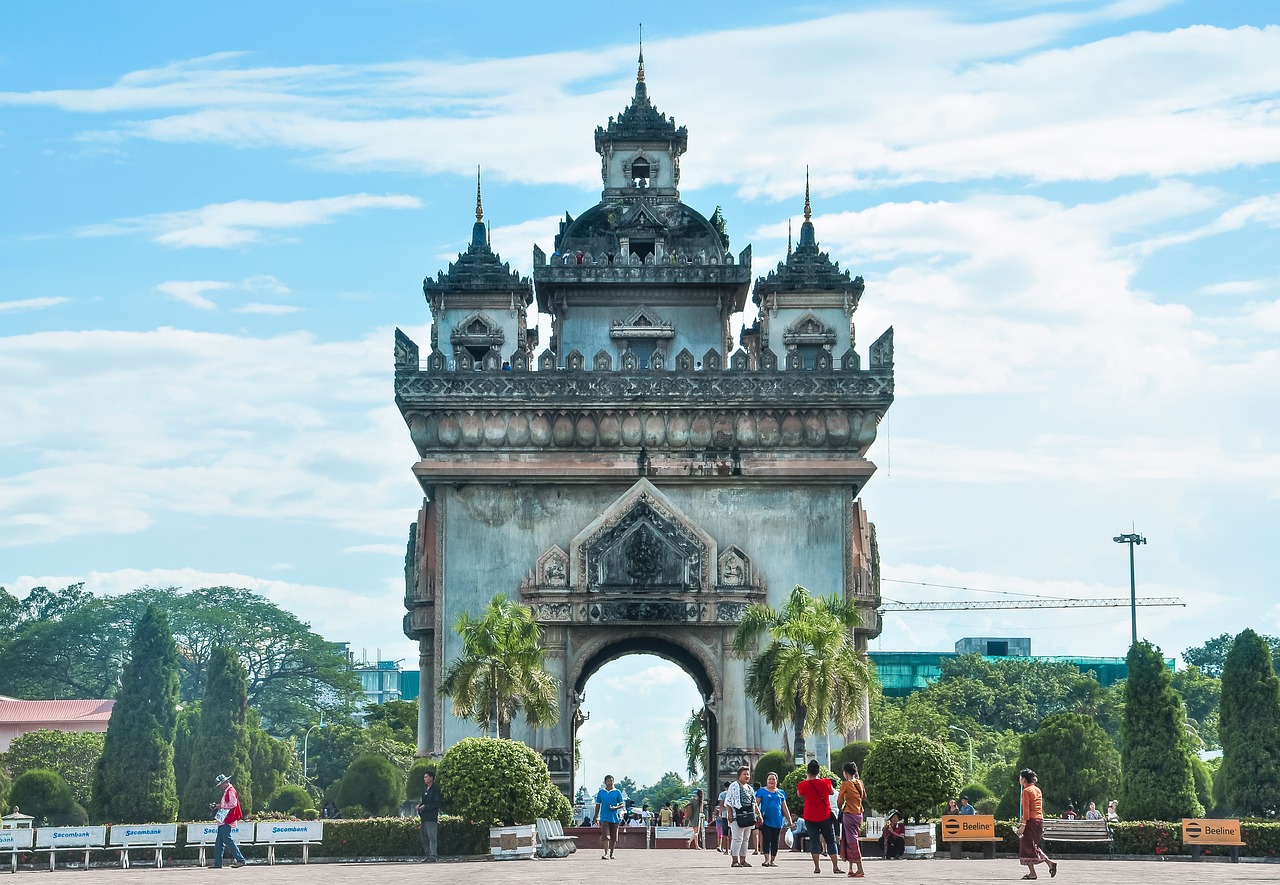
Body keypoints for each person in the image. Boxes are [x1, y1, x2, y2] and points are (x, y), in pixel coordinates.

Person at [796, 759, 843, 874]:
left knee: (814, 841)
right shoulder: (826, 782)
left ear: (808, 772)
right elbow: (832, 793)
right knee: (831, 841)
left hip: (810, 816)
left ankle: (817, 867)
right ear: (818, 771)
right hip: (825, 816)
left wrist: (808, 780)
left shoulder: (803, 784)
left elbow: (799, 794)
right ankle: (835, 867)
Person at [1015, 768, 1058, 880]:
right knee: (1034, 846)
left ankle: (1033, 873)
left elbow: (1026, 810)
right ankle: (1049, 863)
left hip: (1030, 821)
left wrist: (1023, 826)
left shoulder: (1026, 791)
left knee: (1026, 847)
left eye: (1020, 777)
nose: (1019, 779)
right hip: (1039, 820)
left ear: (1024, 779)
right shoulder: (1037, 789)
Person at [755, 771, 794, 867]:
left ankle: (772, 860)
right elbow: (755, 804)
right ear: (766, 781)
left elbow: (784, 807)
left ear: (777, 781)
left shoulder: (781, 792)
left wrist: (790, 820)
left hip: (777, 820)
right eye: (769, 779)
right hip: (766, 820)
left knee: (775, 840)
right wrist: (758, 815)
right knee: (766, 839)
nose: (771, 781)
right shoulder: (761, 791)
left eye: (773, 779)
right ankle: (766, 860)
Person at [837, 762, 867, 878]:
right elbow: (864, 796)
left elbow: (839, 801)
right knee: (849, 839)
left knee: (851, 841)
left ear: (845, 773)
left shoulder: (846, 784)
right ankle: (851, 869)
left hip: (849, 814)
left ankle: (859, 868)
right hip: (859, 814)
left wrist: (842, 806)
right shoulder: (860, 782)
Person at [725, 765, 757, 867]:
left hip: (748, 816)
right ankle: (735, 860)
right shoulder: (734, 785)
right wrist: (730, 814)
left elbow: (754, 803)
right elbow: (728, 801)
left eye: (748, 774)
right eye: (744, 774)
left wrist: (758, 815)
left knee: (745, 839)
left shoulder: (749, 788)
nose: (747, 776)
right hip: (736, 816)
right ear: (739, 775)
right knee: (737, 838)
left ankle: (743, 860)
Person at [212, 774, 246, 869]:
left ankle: (240, 859)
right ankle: (218, 863)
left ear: (225, 782)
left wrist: (221, 806)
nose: (221, 786)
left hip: (227, 819)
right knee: (219, 842)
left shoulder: (230, 791)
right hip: (224, 819)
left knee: (227, 839)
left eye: (221, 784)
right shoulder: (228, 791)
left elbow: (233, 804)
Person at [595, 775, 625, 860]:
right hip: (604, 817)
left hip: (614, 818)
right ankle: (606, 853)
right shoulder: (601, 792)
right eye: (608, 781)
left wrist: (615, 807)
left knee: (613, 837)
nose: (610, 782)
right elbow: (598, 805)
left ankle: (612, 853)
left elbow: (622, 804)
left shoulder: (617, 792)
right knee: (605, 835)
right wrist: (596, 816)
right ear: (605, 782)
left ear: (613, 782)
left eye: (611, 781)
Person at [415, 769, 443, 862]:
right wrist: (419, 806)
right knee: (424, 838)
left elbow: (437, 803)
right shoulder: (425, 789)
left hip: (431, 817)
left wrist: (426, 807)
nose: (425, 779)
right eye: (424, 777)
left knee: (432, 837)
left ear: (431, 778)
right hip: (424, 817)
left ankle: (433, 855)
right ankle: (427, 855)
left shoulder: (435, 789)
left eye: (426, 777)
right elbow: (424, 801)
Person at [717, 781, 731, 853]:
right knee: (732, 833)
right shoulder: (733, 793)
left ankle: (726, 850)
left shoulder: (722, 794)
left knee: (725, 833)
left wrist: (720, 813)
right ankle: (732, 849)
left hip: (725, 815)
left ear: (725, 787)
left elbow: (721, 805)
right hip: (732, 815)